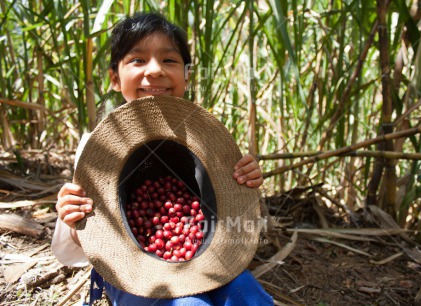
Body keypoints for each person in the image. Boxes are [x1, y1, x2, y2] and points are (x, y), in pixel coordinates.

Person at [52, 12, 273, 306]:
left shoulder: (205, 136)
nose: (154, 70)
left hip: (204, 261)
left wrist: (248, 180)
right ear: (114, 78)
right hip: (131, 273)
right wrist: (72, 217)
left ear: (187, 75)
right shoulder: (97, 147)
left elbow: (234, 204)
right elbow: (79, 244)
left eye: (169, 60)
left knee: (247, 293)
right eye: (138, 60)